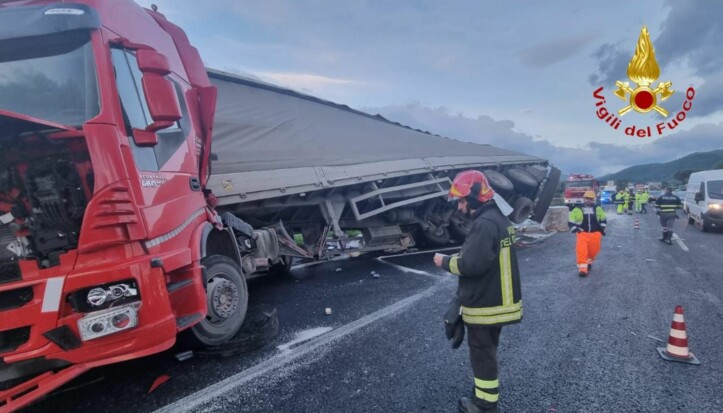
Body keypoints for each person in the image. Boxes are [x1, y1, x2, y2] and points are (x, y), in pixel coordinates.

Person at [433, 170, 522, 413]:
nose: (460, 208)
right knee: (487, 350)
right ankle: (484, 396)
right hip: (499, 299)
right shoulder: (499, 219)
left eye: (461, 201)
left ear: (473, 198)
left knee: (482, 354)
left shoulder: (484, 224)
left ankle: (484, 405)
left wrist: (444, 261)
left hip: (487, 303)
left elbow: (470, 265)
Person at [568, 191, 607, 277]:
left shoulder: (598, 208)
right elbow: (571, 220)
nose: (589, 200)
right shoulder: (577, 209)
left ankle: (588, 262)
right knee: (581, 251)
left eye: (591, 199)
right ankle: (582, 269)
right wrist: (575, 229)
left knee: (594, 251)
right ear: (584, 199)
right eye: (587, 198)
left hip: (595, 234)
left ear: (593, 200)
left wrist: (602, 228)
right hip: (582, 233)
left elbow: (603, 219)